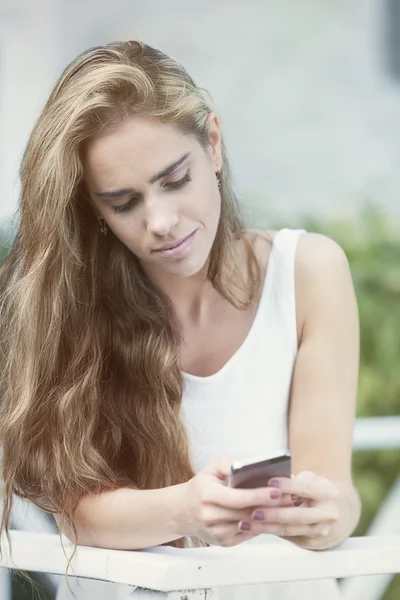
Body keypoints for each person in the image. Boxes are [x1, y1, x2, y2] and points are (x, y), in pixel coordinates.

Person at [0, 40, 361, 599]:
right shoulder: (75, 306)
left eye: (174, 180)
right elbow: (80, 516)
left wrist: (326, 514)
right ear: (94, 210)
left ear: (212, 144)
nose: (162, 222)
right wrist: (186, 509)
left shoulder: (309, 271)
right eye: (124, 203)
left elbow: (333, 490)